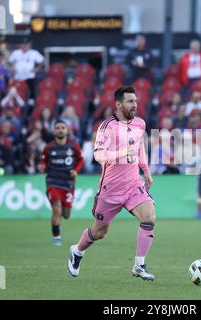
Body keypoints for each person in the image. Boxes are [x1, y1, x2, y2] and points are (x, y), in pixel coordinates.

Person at [67, 86, 156, 281]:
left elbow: (139, 147)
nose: (135, 105)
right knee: (99, 231)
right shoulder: (107, 127)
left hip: (133, 184)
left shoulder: (140, 124)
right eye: (130, 101)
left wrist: (146, 170)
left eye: (136, 101)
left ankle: (139, 266)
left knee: (149, 217)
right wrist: (122, 154)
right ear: (118, 104)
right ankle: (77, 251)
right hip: (110, 189)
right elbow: (98, 155)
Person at [38, 120, 84, 246]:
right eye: (57, 128)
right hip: (53, 181)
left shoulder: (74, 146)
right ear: (53, 131)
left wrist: (76, 170)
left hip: (68, 183)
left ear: (67, 130)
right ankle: (56, 236)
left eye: (63, 127)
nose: (60, 130)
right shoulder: (49, 147)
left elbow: (81, 160)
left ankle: (57, 225)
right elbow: (43, 161)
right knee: (56, 209)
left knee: (66, 214)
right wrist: (41, 166)